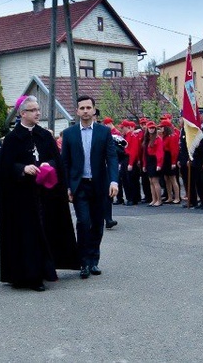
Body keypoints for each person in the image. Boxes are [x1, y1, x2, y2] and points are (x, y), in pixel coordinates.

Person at [0, 96, 79, 291]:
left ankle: (47, 268)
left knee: (47, 230)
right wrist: (23, 168)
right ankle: (30, 276)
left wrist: (47, 165)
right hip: (22, 197)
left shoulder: (44, 135)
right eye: (33, 110)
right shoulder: (11, 139)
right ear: (22, 113)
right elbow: (5, 167)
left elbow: (56, 161)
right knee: (28, 235)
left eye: (38, 109)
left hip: (45, 194)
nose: (38, 113)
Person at [61, 95, 119, 279]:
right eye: (82, 108)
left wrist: (114, 181)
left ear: (94, 110)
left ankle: (94, 260)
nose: (85, 111)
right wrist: (68, 186)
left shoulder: (103, 132)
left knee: (97, 224)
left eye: (88, 107)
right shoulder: (69, 134)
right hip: (80, 186)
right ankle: (83, 261)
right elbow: (65, 163)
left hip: (99, 185)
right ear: (77, 111)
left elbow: (111, 157)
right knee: (83, 222)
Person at [142, 121, 164, 206]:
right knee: (151, 181)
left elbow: (160, 152)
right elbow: (144, 153)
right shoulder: (147, 138)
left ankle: (159, 200)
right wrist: (144, 164)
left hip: (154, 160)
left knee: (155, 181)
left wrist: (159, 164)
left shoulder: (158, 139)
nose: (151, 129)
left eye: (153, 128)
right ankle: (154, 199)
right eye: (150, 128)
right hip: (148, 160)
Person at [160, 120, 181, 204]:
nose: (160, 129)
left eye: (162, 127)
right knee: (166, 178)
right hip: (165, 158)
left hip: (170, 158)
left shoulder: (172, 136)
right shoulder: (164, 136)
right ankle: (169, 197)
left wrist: (173, 162)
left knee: (173, 178)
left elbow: (174, 151)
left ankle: (177, 197)